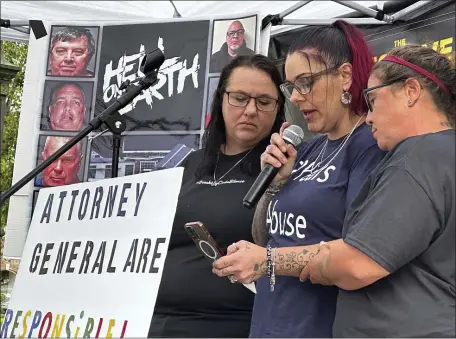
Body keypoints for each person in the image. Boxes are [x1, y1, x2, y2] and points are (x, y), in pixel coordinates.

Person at [211, 20, 387, 337]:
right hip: (271, 323)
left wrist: (267, 261)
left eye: (305, 83)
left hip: (322, 325)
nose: (295, 98)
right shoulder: (306, 150)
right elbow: (268, 238)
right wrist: (275, 186)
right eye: (291, 87)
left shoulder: (369, 147)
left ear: (345, 76)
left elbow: (359, 255)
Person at [296, 45, 455, 337]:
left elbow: (358, 264)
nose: (368, 117)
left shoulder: (418, 155)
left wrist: (265, 260)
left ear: (410, 91)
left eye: (372, 100)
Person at [149, 54, 285, 338]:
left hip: (230, 325)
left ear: (278, 109)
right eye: (239, 97)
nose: (250, 110)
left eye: (263, 102)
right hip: (156, 322)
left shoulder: (280, 170)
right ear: (221, 99)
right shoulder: (190, 164)